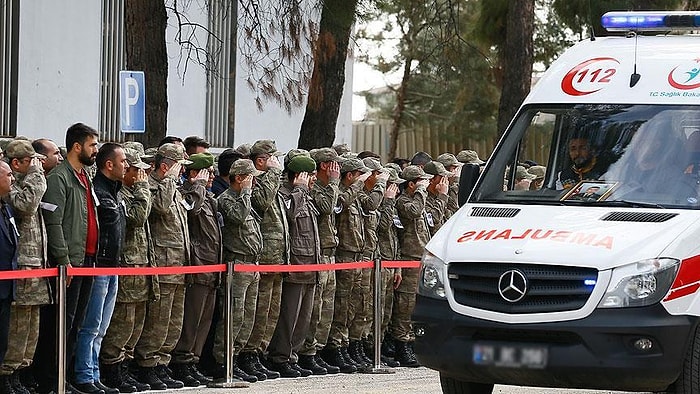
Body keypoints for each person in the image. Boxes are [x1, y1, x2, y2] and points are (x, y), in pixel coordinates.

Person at [39, 123, 100, 394]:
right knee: (62, 323)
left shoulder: (84, 175)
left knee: (77, 323)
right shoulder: (59, 178)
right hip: (70, 262)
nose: (95, 150)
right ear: (77, 147)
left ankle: (68, 376)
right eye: (92, 145)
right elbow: (54, 223)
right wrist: (64, 261)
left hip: (87, 260)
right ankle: (53, 381)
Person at [133, 143, 191, 389]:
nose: (183, 173)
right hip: (164, 262)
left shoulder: (173, 188)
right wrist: (168, 180)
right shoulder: (153, 185)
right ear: (166, 166)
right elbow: (160, 208)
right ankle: (147, 364)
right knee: (158, 319)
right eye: (179, 167)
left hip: (180, 262)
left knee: (173, 321)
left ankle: (163, 364)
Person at [73, 143, 129, 394]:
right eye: (123, 161)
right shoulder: (98, 190)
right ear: (109, 164)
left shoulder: (115, 191)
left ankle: (94, 374)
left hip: (113, 267)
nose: (126, 166)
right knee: (91, 325)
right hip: (99, 267)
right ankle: (84, 375)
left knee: (102, 328)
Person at [99, 148, 152, 393]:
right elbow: (138, 218)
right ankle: (112, 369)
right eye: (136, 169)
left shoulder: (127, 193)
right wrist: (143, 190)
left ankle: (126, 368)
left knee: (135, 323)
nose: (141, 174)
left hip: (141, 263)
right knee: (122, 322)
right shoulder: (124, 194)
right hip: (127, 263)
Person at [266, 155, 321, 377]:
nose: (314, 180)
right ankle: (280, 357)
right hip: (296, 263)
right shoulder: (285, 195)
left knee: (304, 317)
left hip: (311, 263)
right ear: (300, 176)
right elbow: (289, 216)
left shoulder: (306, 195)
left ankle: (293, 356)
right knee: (289, 315)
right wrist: (298, 190)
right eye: (310, 175)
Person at [0, 141, 47, 394]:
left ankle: (23, 372)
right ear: (16, 163)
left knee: (31, 326)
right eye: (31, 161)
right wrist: (37, 174)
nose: (37, 166)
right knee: (17, 326)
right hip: (20, 267)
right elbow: (26, 205)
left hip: (37, 264)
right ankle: (8, 374)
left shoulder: (29, 182)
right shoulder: (10, 185)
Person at [237, 140, 285, 382]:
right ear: (260, 161)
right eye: (272, 158)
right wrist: (273, 173)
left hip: (276, 256)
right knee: (256, 311)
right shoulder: (255, 180)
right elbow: (261, 202)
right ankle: (247, 354)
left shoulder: (270, 180)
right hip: (263, 256)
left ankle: (259, 353)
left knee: (270, 312)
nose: (277, 162)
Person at [170, 153, 219, 387]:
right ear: (193, 173)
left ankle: (194, 361)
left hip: (212, 264)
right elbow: (192, 211)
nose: (212, 176)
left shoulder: (209, 196)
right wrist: (197, 186)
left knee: (204, 319)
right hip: (198, 264)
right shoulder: (187, 194)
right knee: (192, 318)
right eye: (207, 172)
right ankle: (182, 361)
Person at [214, 159, 263, 382]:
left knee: (248, 316)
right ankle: (223, 361)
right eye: (250, 178)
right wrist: (245, 193)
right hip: (237, 264)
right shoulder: (226, 199)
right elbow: (239, 218)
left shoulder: (246, 199)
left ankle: (237, 357)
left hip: (252, 264)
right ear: (240, 178)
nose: (253, 183)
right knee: (234, 315)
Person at [321, 157, 371, 373]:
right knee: (340, 306)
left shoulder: (355, 196)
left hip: (357, 255)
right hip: (343, 256)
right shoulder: (340, 193)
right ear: (349, 176)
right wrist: (359, 185)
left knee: (353, 305)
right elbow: (339, 204)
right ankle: (335, 346)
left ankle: (347, 345)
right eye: (359, 176)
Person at [296, 148, 341, 375]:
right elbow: (325, 207)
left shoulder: (328, 187)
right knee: (315, 308)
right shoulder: (316, 187)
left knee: (327, 307)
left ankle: (319, 350)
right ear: (325, 165)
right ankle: (308, 351)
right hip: (318, 252)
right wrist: (333, 183)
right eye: (334, 164)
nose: (338, 169)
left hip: (330, 251)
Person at [391, 165, 432, 368]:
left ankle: (412, 342)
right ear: (411, 184)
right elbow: (414, 212)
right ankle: (402, 345)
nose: (425, 184)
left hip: (419, 258)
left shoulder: (419, 200)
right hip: (408, 257)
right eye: (420, 181)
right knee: (405, 306)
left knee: (416, 305)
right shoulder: (404, 202)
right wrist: (421, 191)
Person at [375, 167, 403, 367]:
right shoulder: (383, 203)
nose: (396, 190)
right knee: (371, 311)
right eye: (392, 185)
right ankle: (370, 349)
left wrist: (398, 265)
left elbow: (396, 237)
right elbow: (383, 226)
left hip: (391, 261)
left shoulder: (390, 205)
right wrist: (387, 200)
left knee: (385, 311)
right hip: (378, 261)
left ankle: (380, 347)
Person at [0, 160, 17, 394]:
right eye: (9, 175)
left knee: (2, 343)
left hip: (5, 288)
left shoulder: (6, 207)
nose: (13, 179)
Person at [423, 161, 451, 236]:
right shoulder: (423, 198)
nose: (445, 180)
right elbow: (434, 219)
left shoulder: (438, 195)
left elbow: (453, 211)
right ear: (431, 180)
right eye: (442, 177)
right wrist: (442, 195)